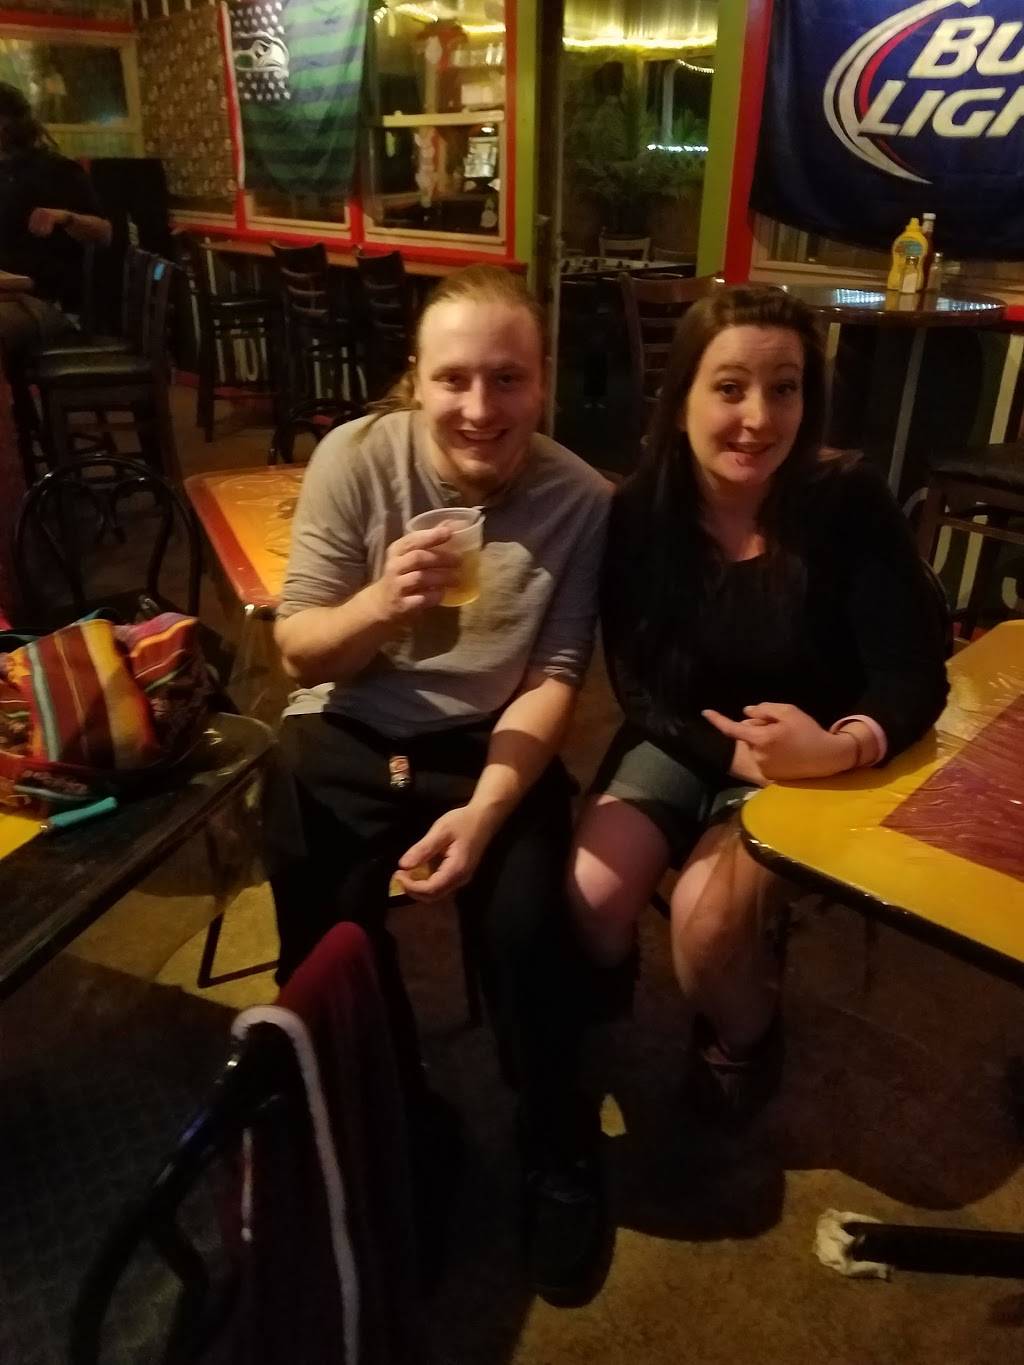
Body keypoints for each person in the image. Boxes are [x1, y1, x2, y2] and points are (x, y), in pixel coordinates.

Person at [264, 264, 612, 1302]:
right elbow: (299, 651)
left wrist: (487, 810)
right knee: (323, 929)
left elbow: (554, 679)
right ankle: (395, 1125)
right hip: (350, 724)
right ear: (414, 380)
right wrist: (381, 605)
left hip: (489, 742)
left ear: (541, 383)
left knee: (529, 930)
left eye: (507, 379)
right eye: (453, 378)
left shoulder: (581, 499)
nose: (479, 407)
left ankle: (556, 1146)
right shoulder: (354, 458)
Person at [568, 284, 949, 1122]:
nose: (758, 418)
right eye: (730, 387)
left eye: (784, 388)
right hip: (682, 736)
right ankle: (605, 1006)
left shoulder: (847, 502)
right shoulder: (639, 511)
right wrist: (730, 755)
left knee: (705, 930)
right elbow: (637, 682)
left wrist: (842, 745)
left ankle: (743, 1036)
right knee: (591, 894)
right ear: (681, 402)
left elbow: (916, 674)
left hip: (815, 759)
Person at [0, 81, 111, 361]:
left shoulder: (55, 170)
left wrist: (66, 217)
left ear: (9, 123)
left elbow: (104, 233)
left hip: (45, 303)